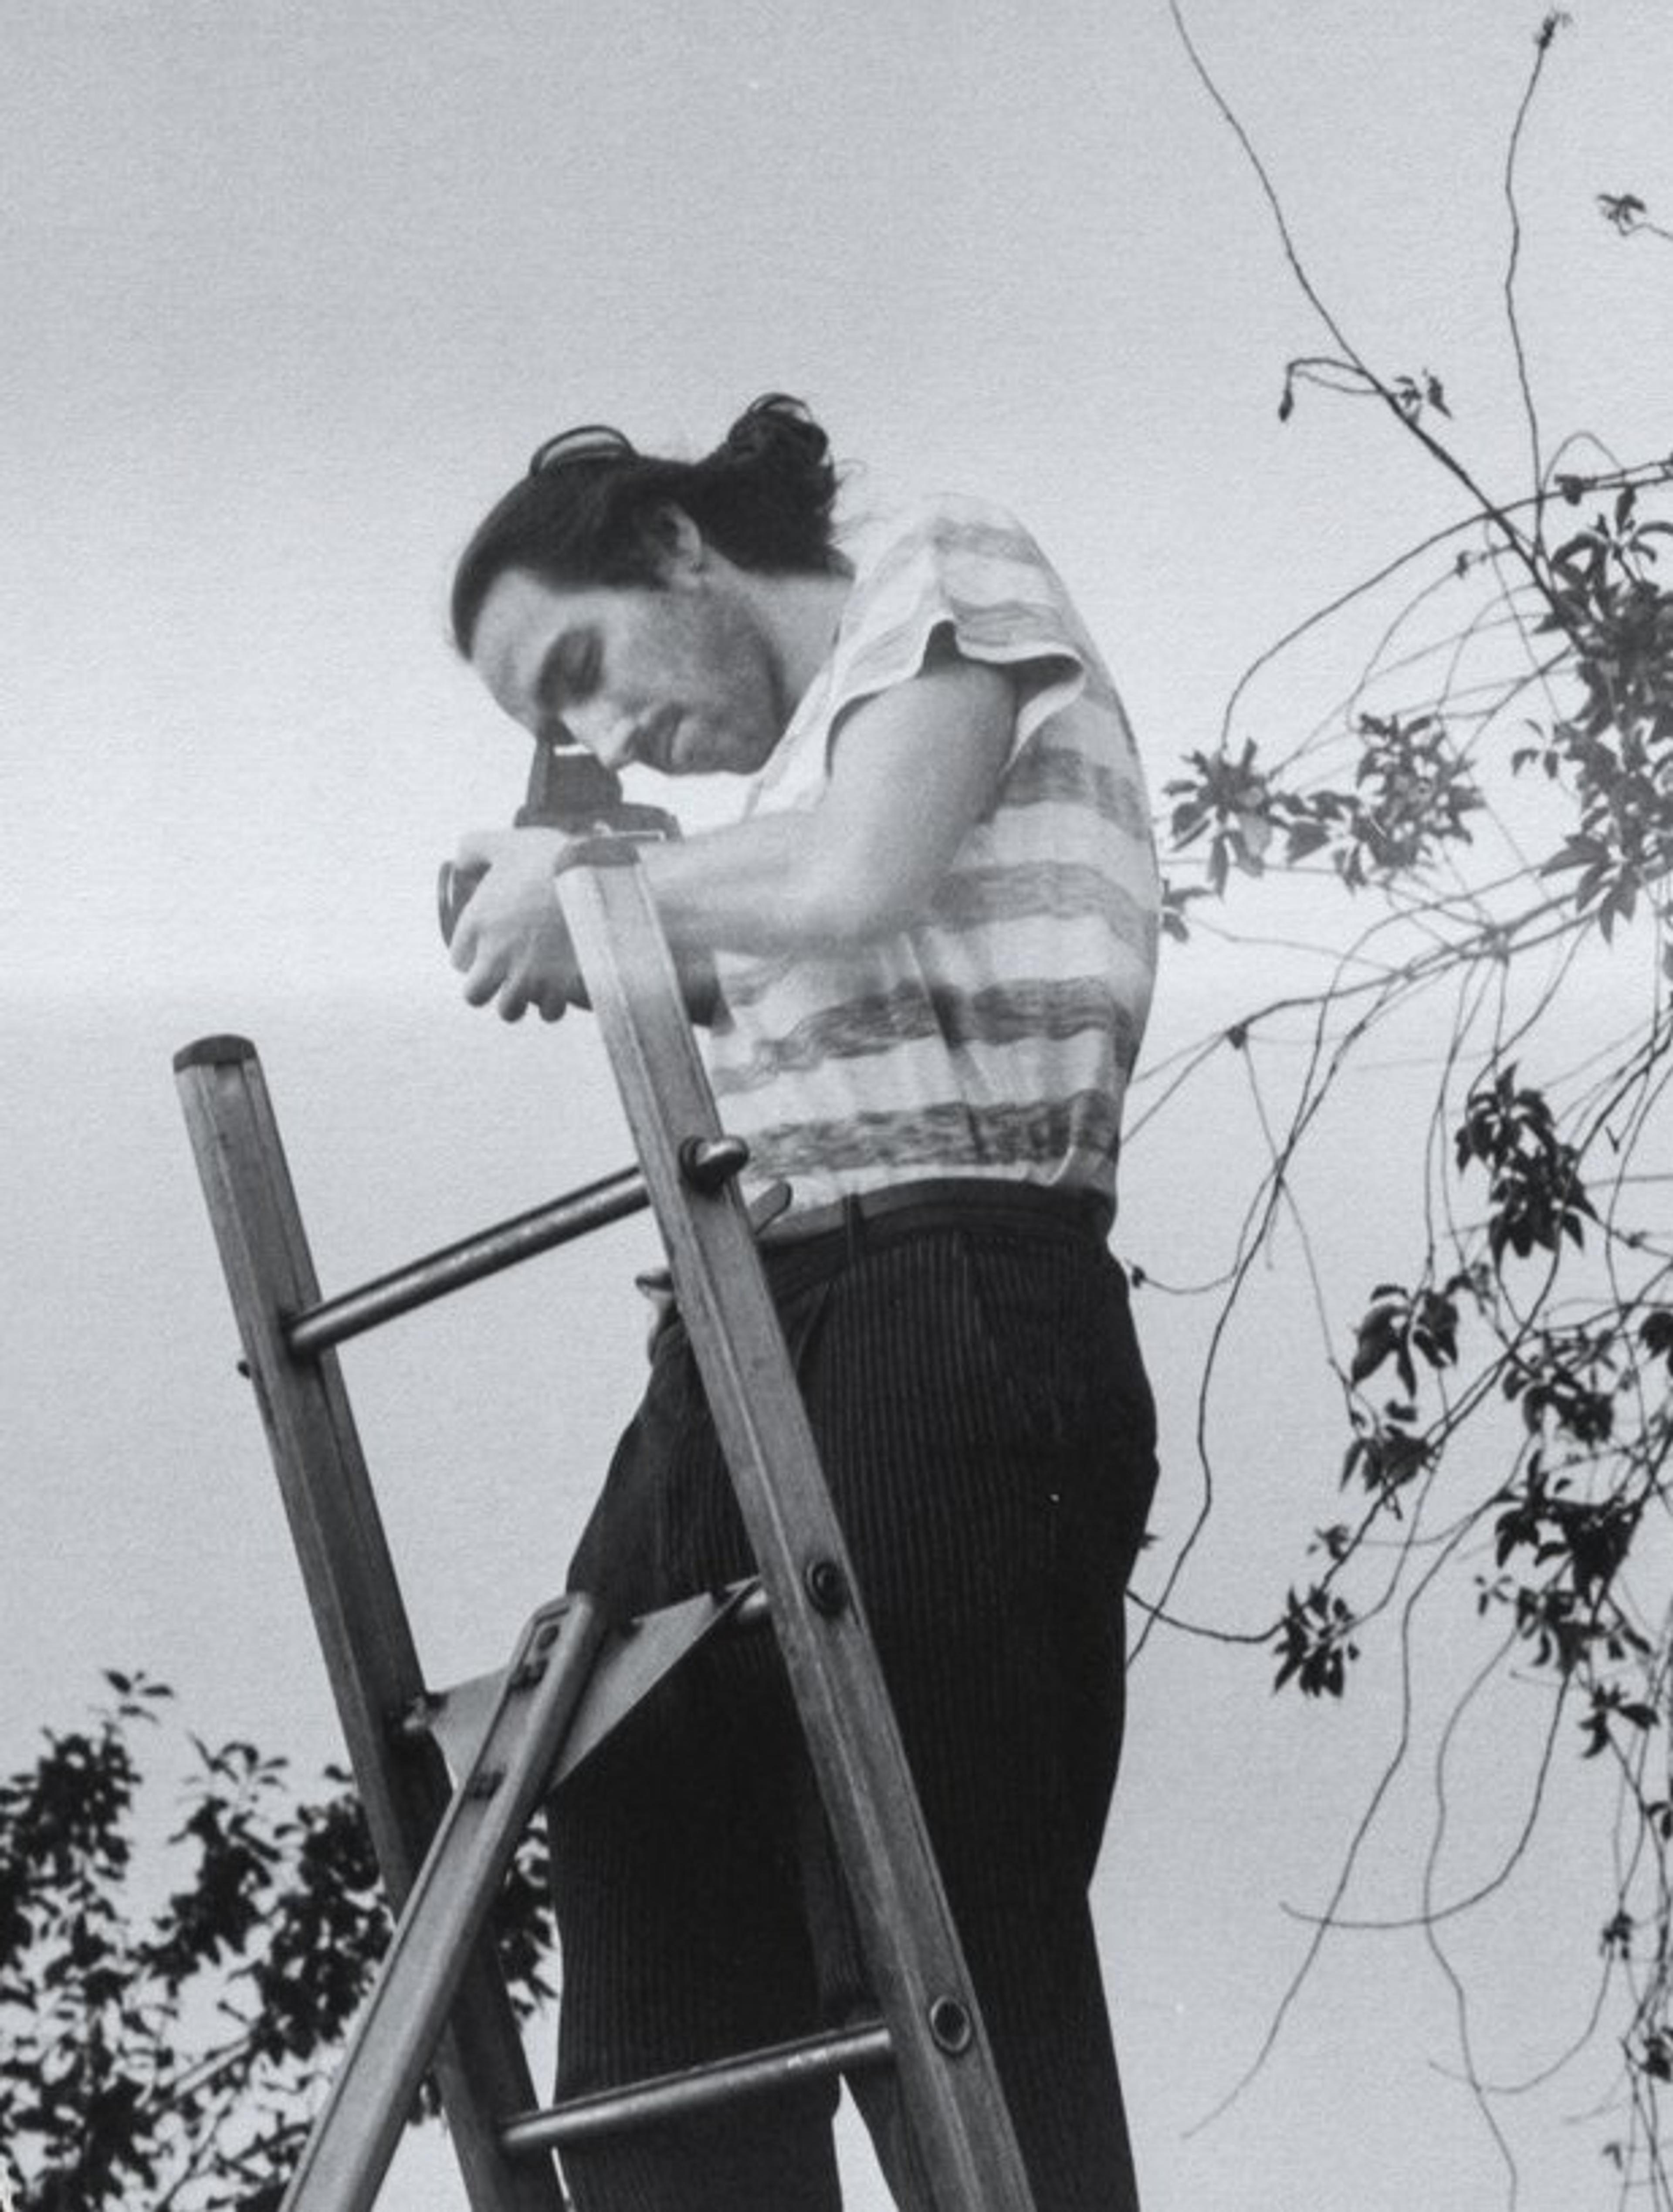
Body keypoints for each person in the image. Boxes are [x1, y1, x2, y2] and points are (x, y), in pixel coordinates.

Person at [446, 395, 1162, 2212]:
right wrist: (586, 920)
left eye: (587, 672)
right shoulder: (749, 820)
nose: (614, 740)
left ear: (682, 547)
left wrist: (597, 895)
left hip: (950, 1289)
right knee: (631, 1816)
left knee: (938, 1948)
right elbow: (799, 965)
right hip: (737, 1323)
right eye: (563, 731)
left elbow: (861, 877)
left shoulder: (939, 566)